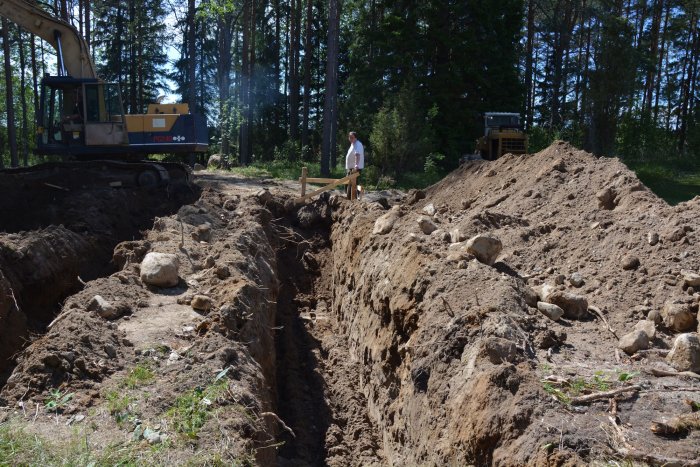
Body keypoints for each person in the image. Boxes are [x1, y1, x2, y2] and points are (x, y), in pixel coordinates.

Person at [345, 131, 364, 199]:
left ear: (355, 138)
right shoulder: (352, 144)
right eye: (349, 137)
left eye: (352, 137)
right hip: (350, 168)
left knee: (354, 184)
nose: (350, 139)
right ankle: (351, 198)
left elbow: (357, 155)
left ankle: (356, 199)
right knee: (348, 183)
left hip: (355, 168)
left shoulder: (358, 144)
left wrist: (356, 165)